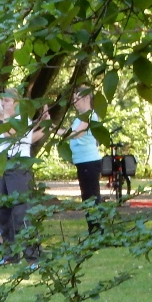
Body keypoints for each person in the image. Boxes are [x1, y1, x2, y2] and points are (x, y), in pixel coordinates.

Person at [0, 92, 45, 266]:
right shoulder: (4, 121)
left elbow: (11, 135)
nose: (4, 103)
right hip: (3, 166)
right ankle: (9, 255)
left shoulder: (21, 119)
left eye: (7, 100)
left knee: (22, 212)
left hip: (18, 167)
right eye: (3, 100)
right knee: (3, 213)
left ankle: (33, 257)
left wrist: (7, 116)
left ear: (16, 103)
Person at [65, 88, 104, 232]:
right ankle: (93, 229)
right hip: (82, 162)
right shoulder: (79, 118)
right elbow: (70, 133)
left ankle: (98, 230)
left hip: (89, 161)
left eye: (77, 99)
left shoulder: (89, 116)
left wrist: (57, 131)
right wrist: (51, 128)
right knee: (87, 196)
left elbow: (76, 134)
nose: (74, 102)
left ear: (87, 98)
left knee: (92, 196)